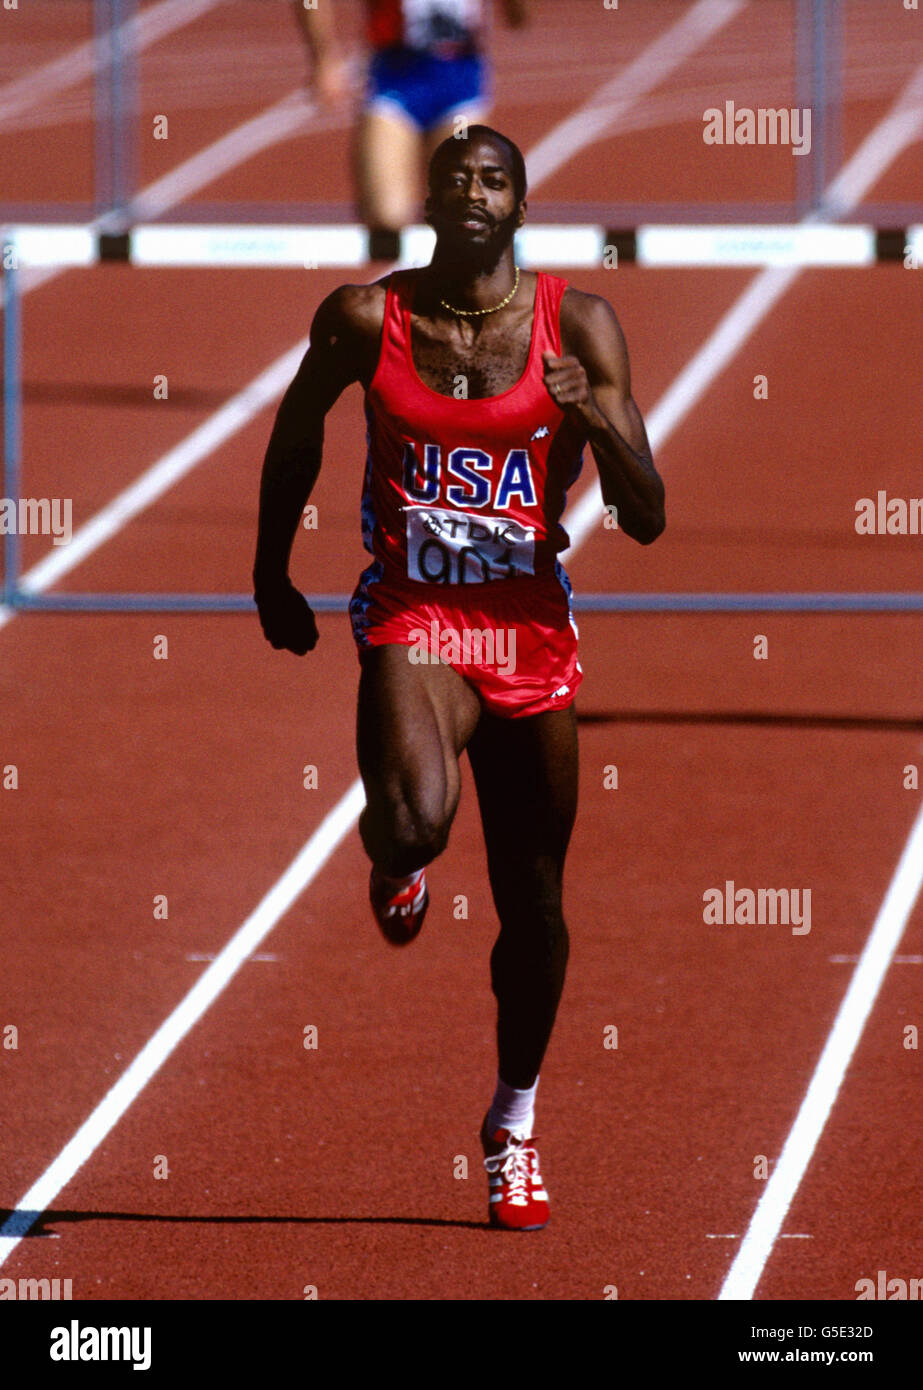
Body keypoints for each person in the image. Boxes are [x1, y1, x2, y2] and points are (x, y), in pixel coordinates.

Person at [253, 126, 665, 1231]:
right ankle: (397, 857)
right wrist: (269, 576)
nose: (472, 192)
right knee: (416, 820)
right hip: (417, 616)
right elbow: (294, 436)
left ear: (519, 206)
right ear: (430, 200)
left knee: (533, 907)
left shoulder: (576, 326)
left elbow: (649, 512)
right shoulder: (363, 319)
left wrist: (593, 420)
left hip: (525, 627)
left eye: (494, 178)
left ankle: (512, 1123)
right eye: (455, 177)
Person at [292, 0, 528, 259]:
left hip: (458, 86)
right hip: (394, 83)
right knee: (385, 216)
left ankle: (462, 289)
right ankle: (399, 292)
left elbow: (519, 18)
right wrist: (323, 55)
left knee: (468, 212)